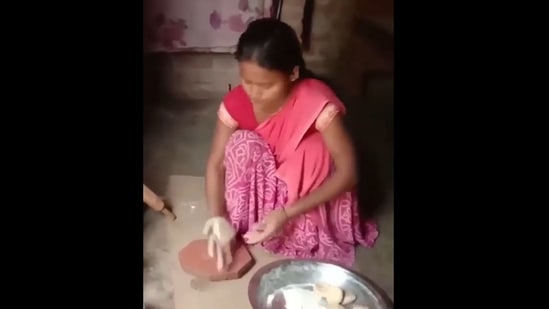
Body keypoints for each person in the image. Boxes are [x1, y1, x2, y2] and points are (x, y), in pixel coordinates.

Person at [205, 18, 378, 267]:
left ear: (293, 73)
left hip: (301, 199)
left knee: (316, 148)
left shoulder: (316, 101)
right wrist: (217, 216)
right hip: (265, 189)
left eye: (265, 85)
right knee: (241, 143)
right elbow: (215, 164)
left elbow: (348, 174)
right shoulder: (236, 102)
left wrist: (285, 213)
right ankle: (249, 225)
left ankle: (296, 231)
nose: (253, 93)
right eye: (247, 81)